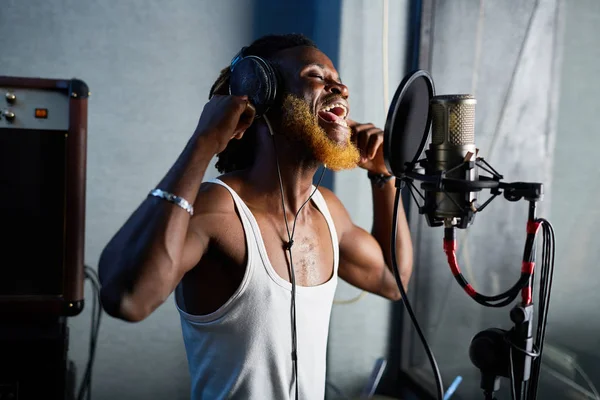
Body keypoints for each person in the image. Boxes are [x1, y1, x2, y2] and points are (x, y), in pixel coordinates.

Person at [98, 33, 413, 400]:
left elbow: (393, 282)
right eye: (316, 75)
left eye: (338, 79)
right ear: (266, 94)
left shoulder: (329, 212)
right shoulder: (217, 209)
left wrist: (383, 174)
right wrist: (203, 142)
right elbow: (127, 299)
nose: (340, 87)